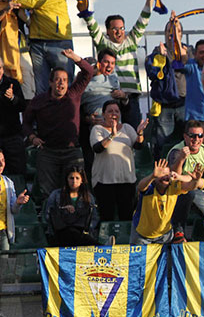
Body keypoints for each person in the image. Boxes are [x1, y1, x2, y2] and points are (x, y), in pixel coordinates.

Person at [23, 49, 93, 203]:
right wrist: (32, 137)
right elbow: (26, 123)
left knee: (75, 192)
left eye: (65, 80)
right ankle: (52, 224)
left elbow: (89, 71)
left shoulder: (73, 94)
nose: (61, 83)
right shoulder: (39, 101)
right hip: (48, 153)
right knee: (49, 194)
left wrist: (74, 57)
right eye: (58, 80)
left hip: (71, 152)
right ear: (50, 82)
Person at [77, 0, 156, 127]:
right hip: (110, 97)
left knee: (133, 131)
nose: (119, 32)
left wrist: (150, 1)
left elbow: (144, 19)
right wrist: (85, 12)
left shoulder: (131, 41)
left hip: (130, 97)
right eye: (115, 29)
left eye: (122, 28)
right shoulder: (103, 44)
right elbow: (92, 26)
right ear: (108, 31)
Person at [90, 99, 148, 221]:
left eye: (116, 111)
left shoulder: (127, 128)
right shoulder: (97, 129)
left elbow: (138, 146)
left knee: (126, 217)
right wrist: (112, 135)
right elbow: (98, 148)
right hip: (104, 181)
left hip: (126, 181)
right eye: (110, 111)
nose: (114, 114)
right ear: (104, 114)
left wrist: (140, 133)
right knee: (107, 217)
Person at [6, 0, 74, 95]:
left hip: (58, 43)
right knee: (41, 88)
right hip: (37, 43)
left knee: (64, 85)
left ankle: (66, 110)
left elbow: (33, 0)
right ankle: (44, 110)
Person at [167, 121, 204, 241]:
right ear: (185, 136)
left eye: (200, 136)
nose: (196, 139)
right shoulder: (177, 151)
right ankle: (178, 231)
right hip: (176, 190)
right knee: (188, 193)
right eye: (192, 136)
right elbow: (173, 176)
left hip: (197, 187)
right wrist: (181, 159)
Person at [131, 159, 204, 245]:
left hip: (165, 235)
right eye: (161, 174)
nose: (165, 177)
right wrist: (152, 176)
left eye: (167, 174)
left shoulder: (173, 187)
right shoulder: (150, 188)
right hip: (143, 235)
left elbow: (190, 187)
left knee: (166, 258)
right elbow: (141, 187)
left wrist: (195, 181)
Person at [80, 48, 127, 178]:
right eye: (106, 62)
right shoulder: (81, 84)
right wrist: (88, 119)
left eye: (112, 63)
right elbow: (75, 111)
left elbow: (125, 105)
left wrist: (124, 96)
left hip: (116, 129)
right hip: (97, 131)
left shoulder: (113, 79)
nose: (109, 66)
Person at [44, 166, 99, 247]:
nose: (74, 181)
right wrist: (62, 209)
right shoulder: (56, 194)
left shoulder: (88, 197)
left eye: (77, 178)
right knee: (69, 232)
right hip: (60, 232)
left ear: (82, 180)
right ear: (67, 179)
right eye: (71, 178)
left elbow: (94, 217)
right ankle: (102, 246)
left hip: (81, 231)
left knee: (75, 233)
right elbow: (48, 214)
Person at [0, 56, 27, 175]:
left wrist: (12, 98)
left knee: (17, 172)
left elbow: (22, 106)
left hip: (12, 136)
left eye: (0, 68)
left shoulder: (12, 83)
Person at [0, 150, 29, 250]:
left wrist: (17, 203)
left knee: (4, 263)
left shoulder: (8, 183)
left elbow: (14, 210)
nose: (1, 164)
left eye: (3, 160)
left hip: (2, 231)